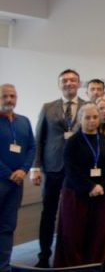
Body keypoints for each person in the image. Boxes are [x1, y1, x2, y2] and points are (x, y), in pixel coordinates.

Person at [31, 69, 85, 268]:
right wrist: (35, 166)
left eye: (73, 80)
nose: (69, 83)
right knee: (48, 212)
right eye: (65, 80)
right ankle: (44, 255)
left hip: (77, 170)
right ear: (59, 84)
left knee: (74, 213)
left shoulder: (88, 107)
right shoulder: (47, 108)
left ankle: (70, 255)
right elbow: (39, 138)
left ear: (79, 84)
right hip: (53, 168)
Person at [53, 103, 105, 267]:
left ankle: (93, 266)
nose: (92, 121)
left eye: (95, 117)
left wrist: (101, 186)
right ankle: (74, 268)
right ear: (80, 119)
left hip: (101, 194)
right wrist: (90, 187)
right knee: (74, 235)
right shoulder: (73, 141)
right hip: (76, 194)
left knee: (96, 235)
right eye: (87, 117)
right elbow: (70, 168)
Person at [0, 84, 35, 272]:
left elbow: (32, 147)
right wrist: (8, 173)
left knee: (7, 226)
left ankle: (4, 266)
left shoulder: (24, 121)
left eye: (12, 96)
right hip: (2, 180)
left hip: (17, 183)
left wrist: (23, 169)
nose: (9, 100)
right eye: (4, 96)